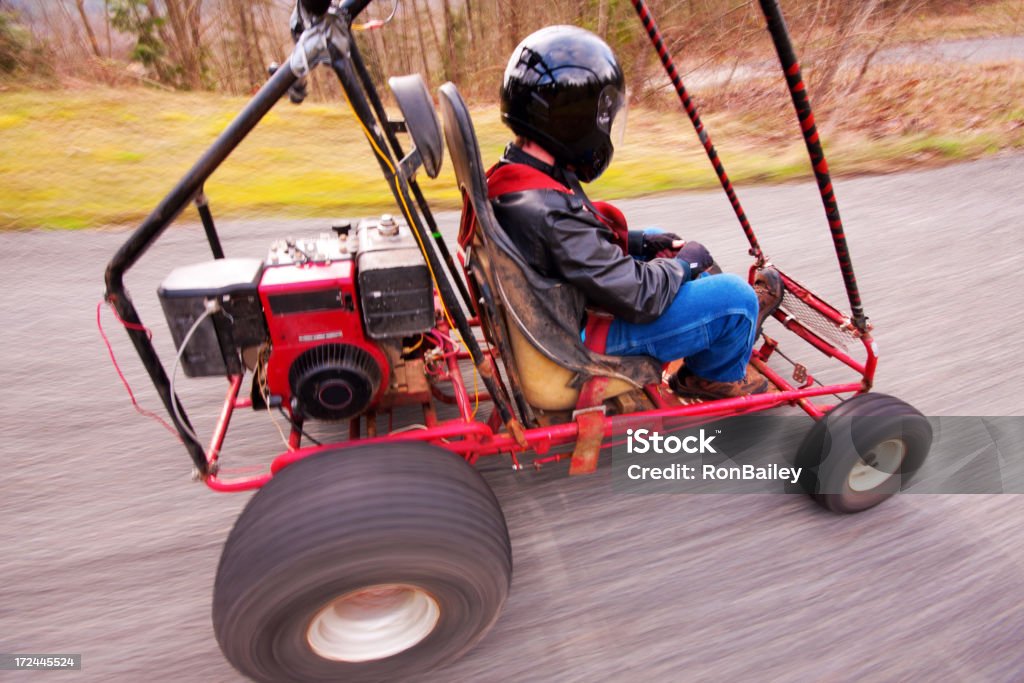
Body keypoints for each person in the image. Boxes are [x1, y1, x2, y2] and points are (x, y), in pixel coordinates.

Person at [489, 25, 783, 399]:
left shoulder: (515, 178)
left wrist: (637, 242)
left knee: (659, 239)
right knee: (735, 295)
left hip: (558, 313)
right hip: (579, 345)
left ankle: (725, 326)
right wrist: (684, 266)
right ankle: (715, 369)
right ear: (572, 122)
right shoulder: (545, 211)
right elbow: (641, 296)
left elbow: (568, 248)